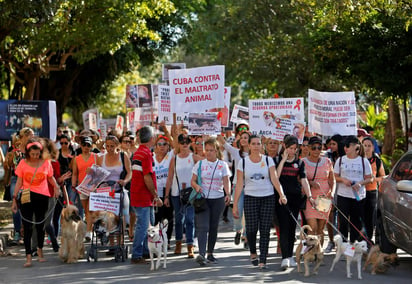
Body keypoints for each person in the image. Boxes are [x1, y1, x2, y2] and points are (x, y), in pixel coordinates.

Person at [233, 135, 286, 269]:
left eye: (258, 144)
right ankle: (253, 252)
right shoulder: (243, 162)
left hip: (267, 197)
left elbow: (274, 179)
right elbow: (239, 184)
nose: (256, 146)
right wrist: (235, 205)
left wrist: (281, 194)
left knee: (265, 229)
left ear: (261, 145)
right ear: (249, 146)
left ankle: (263, 260)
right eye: (254, 144)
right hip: (250, 197)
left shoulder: (268, 161)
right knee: (251, 229)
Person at [11, 139, 60, 267]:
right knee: (27, 226)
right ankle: (28, 256)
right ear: (28, 153)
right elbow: (19, 182)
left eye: (37, 154)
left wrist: (56, 187)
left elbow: (50, 177)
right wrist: (14, 198)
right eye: (32, 154)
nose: (35, 156)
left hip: (42, 196)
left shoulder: (46, 163)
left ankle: (40, 250)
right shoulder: (22, 163)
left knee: (40, 226)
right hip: (27, 196)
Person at [274, 135, 313, 270]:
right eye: (290, 148)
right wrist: (284, 160)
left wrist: (310, 196)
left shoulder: (300, 163)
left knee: (292, 228)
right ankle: (285, 257)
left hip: (295, 198)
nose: (293, 151)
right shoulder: (277, 160)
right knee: (283, 227)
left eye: (295, 149)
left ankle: (290, 255)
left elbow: (304, 180)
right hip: (281, 197)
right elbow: (276, 177)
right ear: (285, 147)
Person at [190, 138, 231, 265]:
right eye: (206, 150)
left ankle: (210, 253)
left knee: (213, 227)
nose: (208, 153)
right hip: (202, 200)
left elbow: (225, 181)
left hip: (217, 199)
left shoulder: (222, 165)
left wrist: (228, 193)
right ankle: (201, 254)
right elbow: (193, 180)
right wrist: (197, 187)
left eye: (211, 150)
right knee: (203, 226)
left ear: (216, 151)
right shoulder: (200, 164)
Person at [164, 134, 201, 258]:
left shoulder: (194, 157)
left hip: (190, 193)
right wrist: (166, 196)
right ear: (178, 144)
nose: (184, 144)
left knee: (190, 219)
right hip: (176, 193)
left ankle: (190, 245)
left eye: (187, 142)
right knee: (179, 219)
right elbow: (169, 178)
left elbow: (207, 162)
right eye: (182, 142)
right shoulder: (174, 159)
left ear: (190, 143)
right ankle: (178, 243)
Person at [130, 126, 163, 264]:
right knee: (143, 225)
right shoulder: (146, 154)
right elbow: (147, 177)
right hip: (143, 196)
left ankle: (144, 251)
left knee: (147, 225)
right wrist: (155, 195)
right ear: (151, 139)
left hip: (141, 195)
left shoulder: (139, 152)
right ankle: (137, 254)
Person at [334, 135, 373, 244]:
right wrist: (343, 180)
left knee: (356, 222)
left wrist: (360, 183)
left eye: (347, 146)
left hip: (358, 196)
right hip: (343, 195)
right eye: (344, 146)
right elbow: (334, 176)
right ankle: (343, 245)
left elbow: (370, 178)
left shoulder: (363, 161)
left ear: (356, 147)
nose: (345, 148)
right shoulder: (340, 160)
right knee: (343, 221)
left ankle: (354, 245)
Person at [218, 125, 251, 249]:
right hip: (238, 187)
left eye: (246, 137)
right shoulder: (236, 152)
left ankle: (246, 236)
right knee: (237, 210)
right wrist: (216, 127)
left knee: (248, 213)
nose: (243, 140)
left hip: (251, 187)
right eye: (241, 137)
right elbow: (223, 142)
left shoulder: (256, 154)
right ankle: (238, 230)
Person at [97, 135, 132, 247]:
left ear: (117, 146)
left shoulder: (123, 156)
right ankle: (111, 243)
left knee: (120, 215)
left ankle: (120, 241)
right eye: (107, 146)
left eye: (112, 146)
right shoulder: (101, 158)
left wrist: (125, 181)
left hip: (119, 189)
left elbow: (129, 172)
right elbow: (97, 174)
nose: (109, 148)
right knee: (108, 216)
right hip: (105, 191)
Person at [302, 136, 335, 246]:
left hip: (324, 198)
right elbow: (300, 179)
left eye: (319, 148)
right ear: (309, 148)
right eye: (313, 147)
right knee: (312, 227)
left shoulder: (327, 161)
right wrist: (311, 183)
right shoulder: (303, 162)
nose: (316, 150)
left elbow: (332, 180)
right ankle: (310, 253)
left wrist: (332, 192)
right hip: (310, 198)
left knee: (320, 229)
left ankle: (318, 254)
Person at [6, 127, 34, 242]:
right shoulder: (13, 149)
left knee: (28, 207)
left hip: (29, 181)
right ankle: (17, 231)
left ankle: (28, 233)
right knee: (16, 204)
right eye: (30, 135)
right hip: (15, 179)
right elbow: (8, 166)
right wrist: (10, 157)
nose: (33, 137)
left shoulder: (32, 149)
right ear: (24, 136)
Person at [71, 136, 98, 241]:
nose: (86, 147)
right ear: (81, 146)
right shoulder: (76, 159)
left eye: (88, 145)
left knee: (90, 209)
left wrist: (93, 172)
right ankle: (90, 228)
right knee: (86, 210)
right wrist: (74, 184)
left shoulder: (96, 157)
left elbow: (100, 171)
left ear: (92, 146)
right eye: (84, 145)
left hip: (93, 186)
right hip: (82, 187)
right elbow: (75, 173)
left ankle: (89, 232)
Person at [362, 137, 385, 244]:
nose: (366, 148)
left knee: (370, 218)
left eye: (369, 146)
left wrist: (372, 179)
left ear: (373, 147)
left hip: (371, 192)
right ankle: (358, 239)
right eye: (364, 145)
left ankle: (368, 239)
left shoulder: (376, 160)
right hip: (357, 192)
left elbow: (383, 177)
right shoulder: (357, 159)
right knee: (358, 216)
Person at [324, 134, 345, 253]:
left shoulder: (345, 157)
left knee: (342, 217)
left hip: (343, 189)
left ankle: (340, 243)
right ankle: (331, 241)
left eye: (333, 144)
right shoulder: (327, 155)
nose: (331, 146)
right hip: (329, 189)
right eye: (330, 144)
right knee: (329, 216)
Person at [153, 135, 174, 246]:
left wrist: (166, 131)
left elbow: (175, 144)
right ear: (155, 146)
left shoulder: (171, 156)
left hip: (168, 191)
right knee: (157, 219)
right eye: (159, 144)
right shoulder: (151, 158)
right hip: (155, 193)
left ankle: (167, 240)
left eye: (164, 144)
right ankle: (157, 241)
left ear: (168, 146)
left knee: (168, 218)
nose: (161, 147)